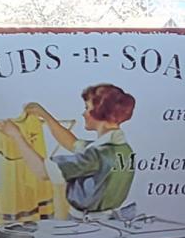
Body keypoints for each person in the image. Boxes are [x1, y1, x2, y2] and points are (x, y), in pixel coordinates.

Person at [52, 82, 138, 215]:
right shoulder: (123, 148)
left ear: (99, 113)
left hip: (87, 221)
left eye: (87, 108)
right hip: (109, 217)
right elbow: (73, 143)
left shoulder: (97, 154)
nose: (83, 114)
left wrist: (17, 136)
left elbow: (43, 170)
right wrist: (45, 116)